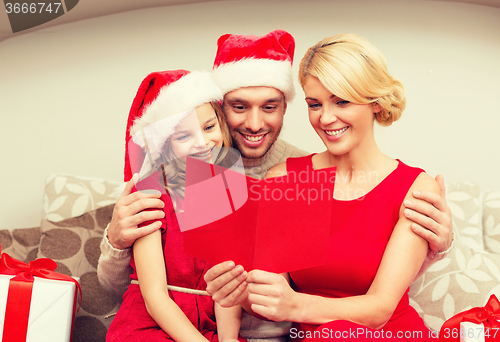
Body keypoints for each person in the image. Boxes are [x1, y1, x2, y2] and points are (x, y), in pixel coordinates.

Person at [98, 30, 453, 341]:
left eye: (269, 106)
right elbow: (259, 284)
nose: (326, 118)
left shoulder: (408, 187)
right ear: (220, 110)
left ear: (284, 107)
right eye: (239, 106)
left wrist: (434, 248)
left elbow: (373, 299)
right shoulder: (278, 177)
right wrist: (116, 239)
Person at [205, 33, 445, 341]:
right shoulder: (287, 180)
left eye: (341, 101)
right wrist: (236, 290)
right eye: (314, 104)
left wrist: (296, 306)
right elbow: (270, 294)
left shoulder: (413, 187)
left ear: (374, 102)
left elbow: (380, 309)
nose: (326, 118)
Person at [105, 69, 247, 342]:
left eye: (209, 127)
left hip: (209, 326)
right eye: (184, 137)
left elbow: (227, 289)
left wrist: (227, 340)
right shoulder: (150, 194)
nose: (203, 143)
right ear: (166, 145)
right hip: (151, 324)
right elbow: (154, 295)